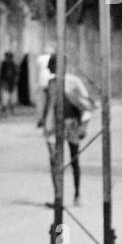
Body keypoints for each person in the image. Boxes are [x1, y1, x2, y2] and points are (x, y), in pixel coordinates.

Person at [38, 56, 93, 206]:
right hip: (56, 126)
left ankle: (76, 194)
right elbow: (48, 105)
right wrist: (44, 122)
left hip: (72, 124)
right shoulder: (51, 83)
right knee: (57, 161)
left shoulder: (73, 81)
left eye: (51, 67)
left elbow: (86, 104)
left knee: (73, 159)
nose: (50, 70)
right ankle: (59, 197)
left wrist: (84, 126)